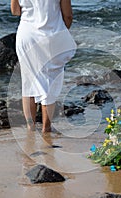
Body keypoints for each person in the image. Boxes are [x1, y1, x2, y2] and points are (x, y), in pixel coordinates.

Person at [11, 0, 76, 133]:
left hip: (26, 36)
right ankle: (46, 128)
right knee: (49, 82)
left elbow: (15, 11)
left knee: (28, 83)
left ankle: (31, 127)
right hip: (51, 36)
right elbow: (68, 16)